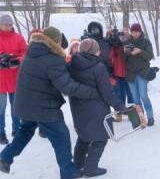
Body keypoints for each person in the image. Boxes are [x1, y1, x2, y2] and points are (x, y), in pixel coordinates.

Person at [0, 27, 100, 179]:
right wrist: (92, 91)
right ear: (55, 42)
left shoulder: (31, 53)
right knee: (62, 138)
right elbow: (67, 86)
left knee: (25, 131)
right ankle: (68, 173)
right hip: (43, 107)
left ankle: (5, 157)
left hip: (26, 104)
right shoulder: (52, 59)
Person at [68, 39, 132, 178]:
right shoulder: (98, 67)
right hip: (96, 108)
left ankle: (77, 166)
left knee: (84, 136)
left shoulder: (72, 64)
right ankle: (91, 168)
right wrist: (121, 107)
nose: (99, 51)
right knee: (101, 138)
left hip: (78, 107)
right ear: (92, 51)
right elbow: (107, 93)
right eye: (97, 49)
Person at [0, 15, 27, 144]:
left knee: (16, 108)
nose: (7, 27)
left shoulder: (18, 38)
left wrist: (16, 60)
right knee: (1, 108)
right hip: (0, 81)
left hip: (15, 79)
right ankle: (1, 133)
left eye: (10, 25)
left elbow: (26, 53)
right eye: (5, 24)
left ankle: (17, 131)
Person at [125, 23, 155, 126]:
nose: (134, 34)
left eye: (136, 32)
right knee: (136, 99)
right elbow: (122, 59)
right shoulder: (127, 41)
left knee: (144, 95)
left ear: (140, 31)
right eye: (132, 32)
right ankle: (142, 119)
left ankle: (150, 117)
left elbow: (150, 56)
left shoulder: (145, 41)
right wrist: (125, 52)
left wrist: (139, 51)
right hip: (130, 74)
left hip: (142, 73)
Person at [110, 27, 133, 122]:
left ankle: (132, 115)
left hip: (128, 73)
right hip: (117, 74)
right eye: (120, 37)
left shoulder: (129, 45)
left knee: (131, 95)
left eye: (124, 37)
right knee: (119, 96)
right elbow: (110, 56)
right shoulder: (114, 47)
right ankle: (119, 115)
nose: (122, 39)